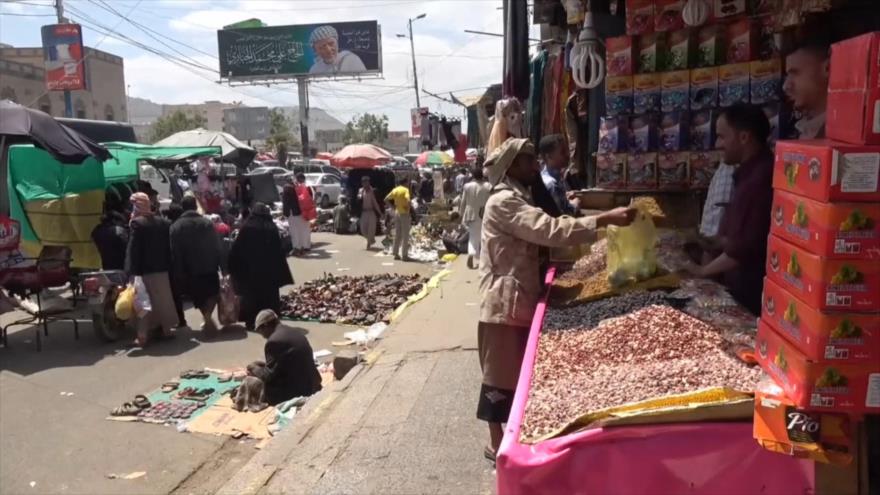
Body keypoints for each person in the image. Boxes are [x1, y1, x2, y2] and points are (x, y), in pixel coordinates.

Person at [477, 138, 635, 461]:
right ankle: (497, 446)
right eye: (528, 162)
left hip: (517, 295)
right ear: (512, 166)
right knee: (499, 378)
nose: (535, 167)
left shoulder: (521, 195)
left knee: (516, 376)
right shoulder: (504, 201)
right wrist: (603, 220)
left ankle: (511, 441)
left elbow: (550, 224)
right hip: (502, 302)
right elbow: (547, 229)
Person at [683, 103, 774, 315]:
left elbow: (743, 249)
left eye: (722, 137)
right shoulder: (749, 173)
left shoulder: (759, 179)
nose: (717, 144)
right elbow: (747, 235)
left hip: (750, 293)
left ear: (744, 137)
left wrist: (701, 271)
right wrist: (717, 241)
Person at [228, 203, 294, 330]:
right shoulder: (271, 227)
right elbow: (279, 250)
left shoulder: (247, 227)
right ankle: (270, 321)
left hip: (250, 271)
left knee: (252, 297)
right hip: (269, 272)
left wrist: (232, 266)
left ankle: (252, 321)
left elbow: (237, 249)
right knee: (269, 297)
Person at [125, 192, 178, 347]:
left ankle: (142, 336)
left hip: (144, 269)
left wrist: (131, 271)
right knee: (162, 300)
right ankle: (166, 330)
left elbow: (133, 249)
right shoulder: (163, 222)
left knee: (142, 302)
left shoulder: (136, 223)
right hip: (162, 267)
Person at [170, 196, 223, 335]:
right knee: (212, 293)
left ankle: (206, 316)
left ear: (183, 208)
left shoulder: (176, 227)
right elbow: (217, 246)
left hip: (190, 269)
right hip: (209, 265)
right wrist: (222, 265)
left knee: (198, 296)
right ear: (195, 206)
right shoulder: (207, 223)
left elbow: (175, 251)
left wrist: (178, 271)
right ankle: (207, 317)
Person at [246, 310, 322, 404]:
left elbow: (268, 376)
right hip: (312, 382)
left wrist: (252, 367)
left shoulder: (273, 342)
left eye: (260, 331)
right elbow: (283, 363)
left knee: (252, 383)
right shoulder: (293, 331)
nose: (262, 336)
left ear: (265, 326)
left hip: (298, 391)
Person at [783, 39, 830, 139]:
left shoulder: (845, 132)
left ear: (828, 68)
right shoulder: (804, 130)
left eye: (794, 73)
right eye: (787, 76)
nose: (785, 86)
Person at [458, 166, 492, 269]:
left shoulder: (467, 186)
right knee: (483, 236)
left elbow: (463, 201)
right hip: (484, 214)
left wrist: (461, 213)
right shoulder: (488, 186)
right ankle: (481, 258)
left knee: (473, 237)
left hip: (470, 215)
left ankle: (471, 254)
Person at [538, 134, 580, 216]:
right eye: (562, 152)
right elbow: (562, 217)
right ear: (549, 156)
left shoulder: (558, 176)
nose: (567, 155)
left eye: (567, 150)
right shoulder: (551, 184)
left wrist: (566, 197)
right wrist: (575, 205)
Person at [385, 176, 413, 261]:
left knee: (397, 234)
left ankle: (395, 253)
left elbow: (386, 199)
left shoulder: (395, 190)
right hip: (404, 214)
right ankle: (404, 255)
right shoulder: (405, 190)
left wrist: (393, 207)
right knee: (405, 235)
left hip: (397, 212)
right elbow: (408, 200)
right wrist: (408, 208)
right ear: (405, 183)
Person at [292, 174, 316, 254]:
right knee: (306, 228)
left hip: (300, 211)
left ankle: (302, 246)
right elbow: (313, 198)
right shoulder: (309, 187)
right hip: (308, 210)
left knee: (301, 229)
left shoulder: (298, 187)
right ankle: (307, 246)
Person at [358, 176, 383, 249]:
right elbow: (358, 200)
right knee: (363, 230)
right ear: (362, 183)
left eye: (367, 182)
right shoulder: (360, 191)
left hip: (371, 212)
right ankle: (371, 240)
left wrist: (380, 213)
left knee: (371, 229)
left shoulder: (373, 191)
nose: (365, 184)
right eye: (364, 182)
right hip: (364, 212)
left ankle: (368, 243)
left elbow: (375, 203)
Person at [281, 176, 303, 256]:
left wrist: (285, 214)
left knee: (293, 231)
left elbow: (286, 202)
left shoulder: (286, 188)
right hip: (298, 212)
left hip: (292, 212)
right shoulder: (295, 187)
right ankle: (300, 247)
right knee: (298, 230)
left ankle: (296, 249)